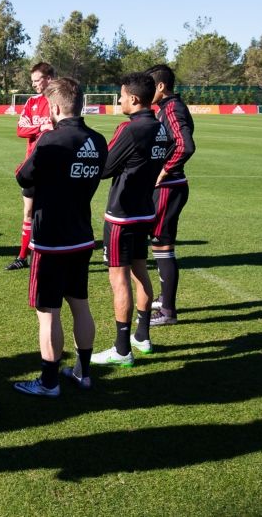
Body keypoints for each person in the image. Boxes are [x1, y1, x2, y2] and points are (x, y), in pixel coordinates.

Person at [12, 78, 107, 395]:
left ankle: (49, 382)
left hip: (51, 239)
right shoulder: (98, 140)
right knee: (80, 304)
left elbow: (23, 176)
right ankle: (83, 373)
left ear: (53, 107)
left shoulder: (50, 140)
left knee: (48, 312)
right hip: (82, 235)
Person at [91, 73, 169, 367]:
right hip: (145, 211)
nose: (120, 100)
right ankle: (142, 336)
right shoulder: (160, 127)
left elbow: (105, 168)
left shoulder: (131, 129)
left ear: (134, 99)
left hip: (122, 215)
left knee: (119, 278)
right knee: (140, 272)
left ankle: (122, 348)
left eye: (122, 96)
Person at [147, 64, 196, 326]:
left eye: (150, 86)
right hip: (170, 186)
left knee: (162, 245)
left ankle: (167, 312)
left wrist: (164, 170)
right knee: (160, 244)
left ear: (161, 86)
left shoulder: (173, 109)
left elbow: (185, 145)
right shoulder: (166, 108)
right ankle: (164, 298)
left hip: (169, 187)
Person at [6, 62, 56, 271]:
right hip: (33, 165)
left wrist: (44, 128)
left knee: (52, 212)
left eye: (37, 80)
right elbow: (21, 129)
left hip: (55, 165)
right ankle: (22, 256)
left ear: (49, 79)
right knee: (28, 211)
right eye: (33, 81)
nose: (34, 84)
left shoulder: (60, 101)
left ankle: (52, 254)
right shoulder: (31, 102)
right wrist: (42, 126)